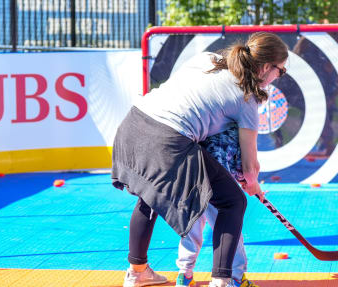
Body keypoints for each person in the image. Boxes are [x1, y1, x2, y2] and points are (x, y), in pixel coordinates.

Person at [111, 32, 289, 287]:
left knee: (149, 195)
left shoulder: (207, 59)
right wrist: (254, 186)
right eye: (280, 71)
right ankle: (222, 280)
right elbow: (250, 168)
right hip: (168, 139)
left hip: (133, 125)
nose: (278, 78)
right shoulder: (246, 98)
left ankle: (137, 272)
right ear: (264, 67)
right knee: (232, 202)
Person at [175, 127, 259, 287]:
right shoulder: (238, 126)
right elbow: (242, 166)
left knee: (191, 227)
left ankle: (184, 275)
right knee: (229, 229)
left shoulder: (208, 120)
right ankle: (236, 277)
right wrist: (251, 183)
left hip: (190, 177)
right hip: (216, 185)